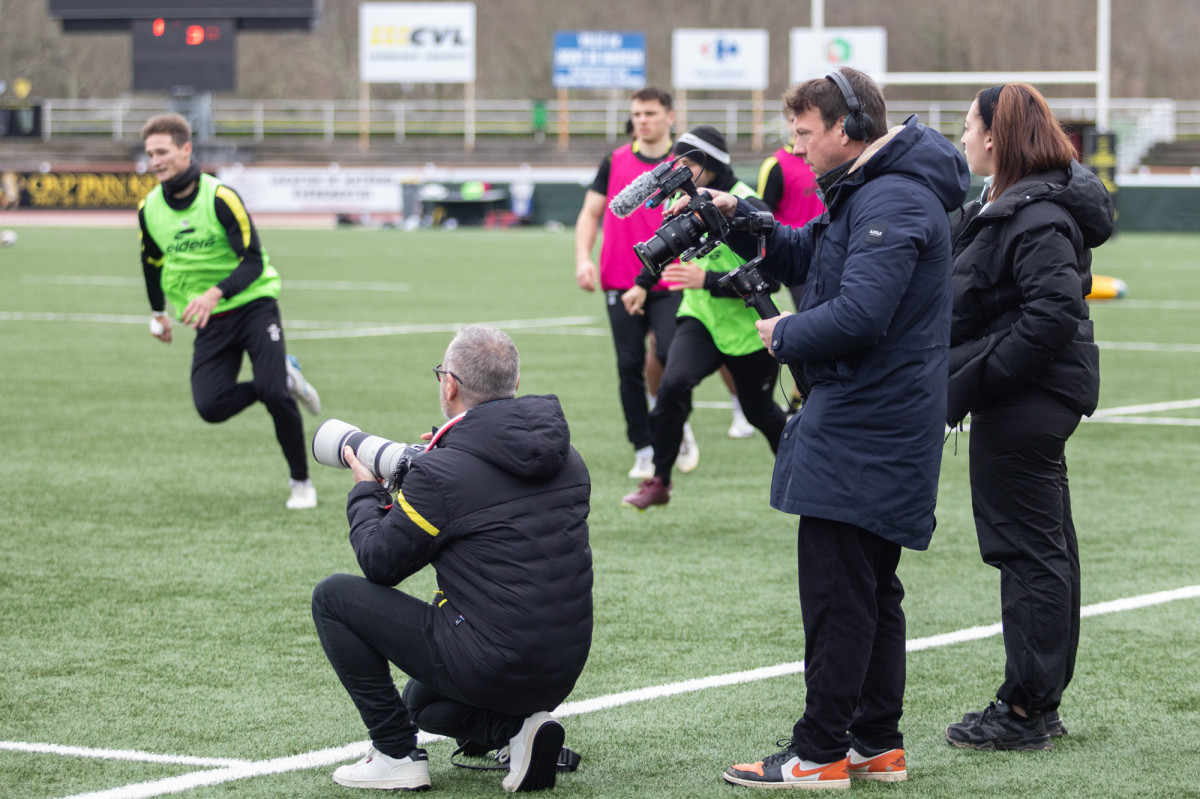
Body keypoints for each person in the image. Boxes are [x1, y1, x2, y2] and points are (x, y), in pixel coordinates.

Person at [691, 68, 968, 788]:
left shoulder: (893, 196)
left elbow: (861, 316)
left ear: (849, 127)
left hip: (867, 424)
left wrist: (783, 333)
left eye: (806, 132)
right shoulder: (872, 188)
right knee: (871, 590)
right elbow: (806, 253)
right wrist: (740, 216)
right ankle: (876, 743)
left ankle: (819, 752)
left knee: (840, 594)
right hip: (875, 420)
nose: (797, 146)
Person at [312, 326, 593, 793]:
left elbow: (380, 564)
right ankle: (519, 733)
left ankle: (395, 755)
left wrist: (366, 492)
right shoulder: (568, 458)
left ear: (450, 386)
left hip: (494, 661)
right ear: (515, 383)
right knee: (424, 704)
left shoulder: (442, 474)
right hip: (561, 666)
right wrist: (444, 456)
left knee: (332, 598)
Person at [943, 84, 1114, 751]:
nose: (963, 137)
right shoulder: (1010, 202)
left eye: (968, 126)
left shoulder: (1036, 213)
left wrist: (975, 376)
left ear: (996, 136)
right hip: (1028, 399)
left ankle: (1025, 709)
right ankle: (1039, 701)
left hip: (1027, 402)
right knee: (1046, 550)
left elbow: (1051, 316)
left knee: (1029, 553)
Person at [138, 113, 321, 510]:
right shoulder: (149, 209)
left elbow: (253, 261)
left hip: (253, 305)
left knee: (274, 395)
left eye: (162, 152)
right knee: (210, 406)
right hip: (210, 319)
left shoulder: (221, 198)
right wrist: (157, 312)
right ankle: (282, 375)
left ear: (186, 149)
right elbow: (151, 262)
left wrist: (214, 293)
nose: (155, 161)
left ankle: (301, 483)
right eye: (150, 153)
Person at [619, 125, 787, 511]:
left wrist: (706, 280)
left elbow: (773, 279)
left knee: (759, 411)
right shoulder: (684, 200)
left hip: (750, 329)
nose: (681, 171)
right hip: (701, 320)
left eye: (689, 164)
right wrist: (642, 284)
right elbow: (668, 245)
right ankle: (660, 480)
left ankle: (801, 475)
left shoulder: (747, 203)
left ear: (709, 165)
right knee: (673, 385)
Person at [574, 86, 698, 481]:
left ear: (669, 117)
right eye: (637, 114)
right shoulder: (614, 161)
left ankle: (677, 424)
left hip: (669, 280)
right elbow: (590, 213)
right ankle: (643, 448)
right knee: (628, 367)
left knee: (670, 357)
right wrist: (583, 258)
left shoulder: (682, 165)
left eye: (650, 113)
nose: (642, 120)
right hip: (618, 278)